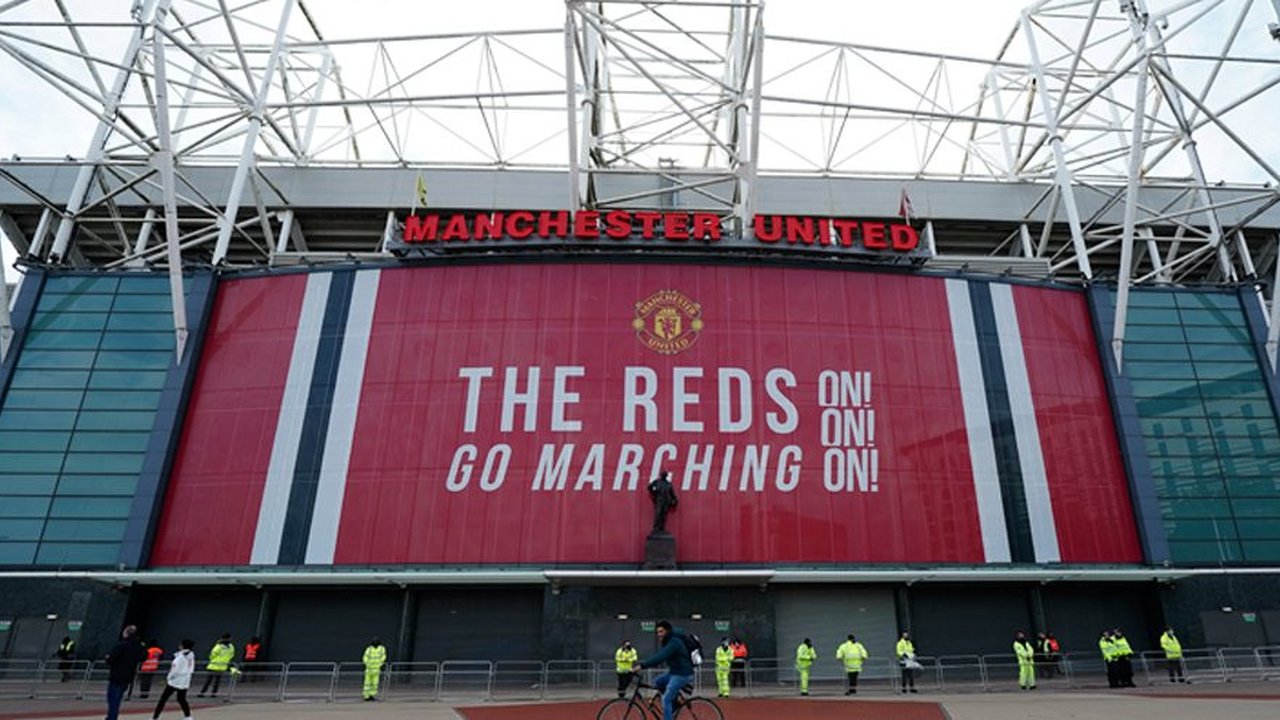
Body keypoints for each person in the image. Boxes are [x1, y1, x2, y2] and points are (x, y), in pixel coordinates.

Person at [631, 620, 694, 720]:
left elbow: (660, 657)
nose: (659, 634)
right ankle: (676, 699)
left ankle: (671, 703)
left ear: (667, 631)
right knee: (657, 681)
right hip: (674, 672)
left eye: (661, 632)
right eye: (657, 632)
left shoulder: (674, 642)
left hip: (682, 674)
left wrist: (642, 666)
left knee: (665, 700)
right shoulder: (668, 641)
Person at [104, 625, 146, 720]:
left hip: (117, 675)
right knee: (117, 698)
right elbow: (143, 656)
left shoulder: (121, 645)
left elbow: (111, 658)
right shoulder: (137, 646)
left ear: (126, 633)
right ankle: (111, 716)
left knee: (113, 699)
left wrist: (108, 658)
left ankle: (111, 717)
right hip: (128, 675)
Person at [151, 639, 195, 720]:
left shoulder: (180, 657)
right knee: (181, 699)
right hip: (185, 680)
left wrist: (169, 678)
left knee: (163, 699)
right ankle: (188, 716)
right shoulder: (191, 655)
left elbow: (174, 670)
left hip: (175, 681)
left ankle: (155, 717)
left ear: (182, 646)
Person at [197, 633, 234, 698]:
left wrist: (213, 659)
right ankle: (213, 693)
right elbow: (232, 655)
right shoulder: (231, 647)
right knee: (217, 681)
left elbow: (212, 655)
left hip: (213, 665)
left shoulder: (218, 646)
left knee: (208, 681)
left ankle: (202, 692)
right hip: (222, 666)